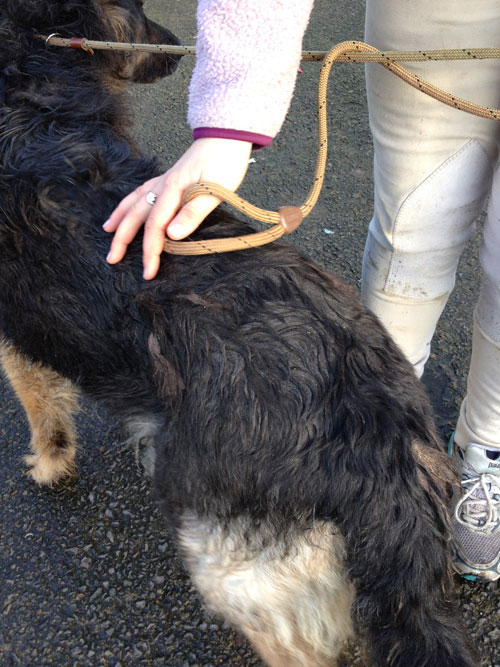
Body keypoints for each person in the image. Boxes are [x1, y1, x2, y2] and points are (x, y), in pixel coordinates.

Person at [104, 0, 500, 581]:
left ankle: (486, 445)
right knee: (412, 233)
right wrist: (229, 120)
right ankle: (382, 435)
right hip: (438, 15)